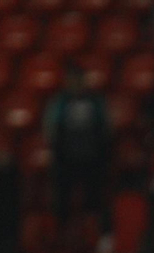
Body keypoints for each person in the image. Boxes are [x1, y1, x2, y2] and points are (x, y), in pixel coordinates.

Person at [43, 66, 111, 225]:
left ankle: (92, 230)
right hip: (65, 158)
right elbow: (51, 129)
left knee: (93, 201)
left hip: (92, 157)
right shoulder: (60, 102)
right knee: (62, 201)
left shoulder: (95, 101)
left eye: (78, 80)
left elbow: (106, 127)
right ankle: (62, 231)